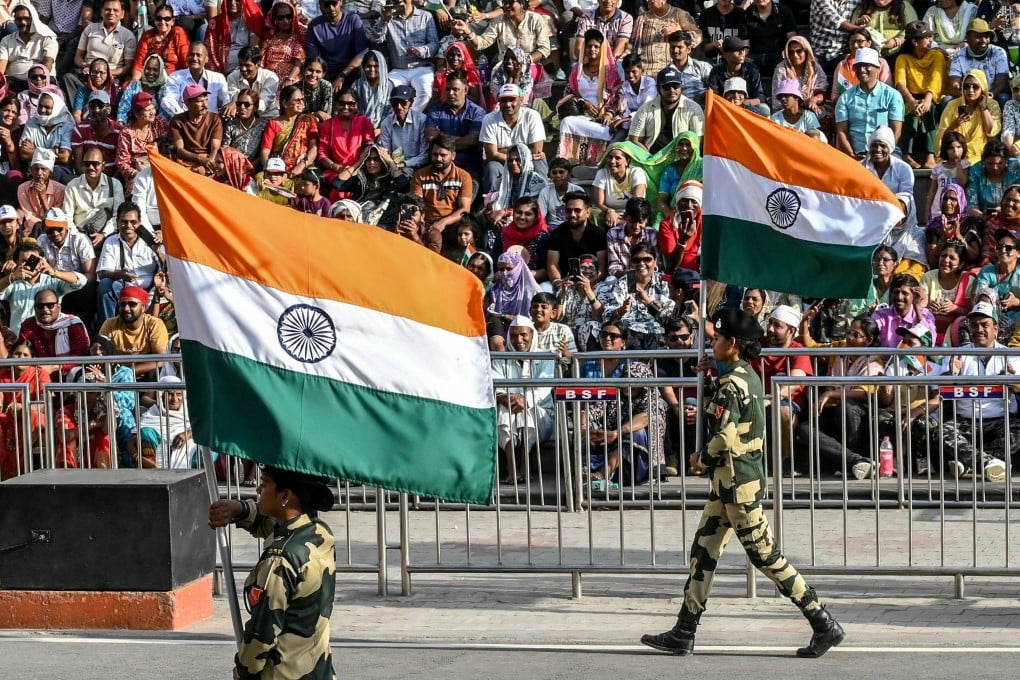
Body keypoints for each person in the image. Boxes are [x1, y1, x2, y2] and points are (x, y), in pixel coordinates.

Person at [640, 308, 845, 659]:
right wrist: (714, 372)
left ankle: (822, 621)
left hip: (737, 484)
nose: (713, 343)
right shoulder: (742, 375)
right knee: (703, 552)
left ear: (732, 344)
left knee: (766, 556)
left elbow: (726, 438)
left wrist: (700, 459)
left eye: (717, 339)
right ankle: (684, 630)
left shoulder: (732, 384)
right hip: (729, 486)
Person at [207, 467, 337, 680]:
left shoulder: (279, 560)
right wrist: (238, 509)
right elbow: (273, 523)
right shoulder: (319, 533)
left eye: (265, 483)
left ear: (285, 496)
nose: (259, 489)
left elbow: (263, 634)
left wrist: (243, 670)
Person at [798, 310, 885, 478]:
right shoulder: (839, 348)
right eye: (849, 332)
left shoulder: (875, 361)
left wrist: (831, 394)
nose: (849, 337)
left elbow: (864, 393)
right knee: (805, 429)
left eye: (856, 334)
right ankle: (856, 461)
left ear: (869, 341)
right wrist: (804, 321)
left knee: (847, 405)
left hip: (859, 415)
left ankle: (854, 458)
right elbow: (811, 346)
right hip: (832, 412)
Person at [492, 314, 555, 484]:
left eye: (523, 335)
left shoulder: (545, 357)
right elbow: (495, 384)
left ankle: (524, 461)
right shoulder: (501, 358)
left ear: (532, 335)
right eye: (513, 335)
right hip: (509, 408)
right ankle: (512, 467)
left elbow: (544, 387)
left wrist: (524, 399)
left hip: (541, 414)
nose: (518, 339)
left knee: (525, 411)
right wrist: (507, 398)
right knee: (505, 411)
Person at [556, 29, 625, 166]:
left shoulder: (611, 71)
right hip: (582, 117)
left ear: (602, 49)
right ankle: (568, 164)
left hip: (603, 119)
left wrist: (609, 114)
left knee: (606, 131)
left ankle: (596, 164)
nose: (592, 49)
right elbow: (568, 94)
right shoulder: (577, 70)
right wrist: (583, 103)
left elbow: (620, 95)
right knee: (567, 122)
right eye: (589, 46)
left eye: (596, 46)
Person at [596, 241, 673, 348]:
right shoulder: (623, 282)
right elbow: (607, 314)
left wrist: (648, 302)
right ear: (632, 263)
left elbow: (670, 316)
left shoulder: (664, 281)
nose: (641, 263)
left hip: (658, 332)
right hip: (629, 332)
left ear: (655, 261)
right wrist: (620, 311)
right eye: (636, 260)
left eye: (647, 259)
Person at [96, 201, 162, 321]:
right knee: (105, 285)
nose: (128, 226)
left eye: (133, 222)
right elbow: (104, 273)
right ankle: (107, 329)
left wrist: (158, 250)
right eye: (124, 222)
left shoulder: (151, 240)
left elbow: (166, 269)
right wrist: (119, 274)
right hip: (123, 289)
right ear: (117, 223)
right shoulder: (111, 241)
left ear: (140, 223)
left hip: (148, 290)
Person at [0, 241, 86, 333]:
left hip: (49, 338)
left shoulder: (52, 280)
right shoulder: (13, 282)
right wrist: (11, 277)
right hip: (20, 340)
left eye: (33, 260)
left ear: (42, 260)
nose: (29, 265)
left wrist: (55, 272)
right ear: (17, 262)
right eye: (24, 261)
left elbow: (81, 281)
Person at [367, 0, 437, 112]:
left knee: (425, 93)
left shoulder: (425, 16)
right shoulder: (389, 17)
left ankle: (409, 118)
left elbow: (434, 43)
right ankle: (390, 121)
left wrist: (420, 51)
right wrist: (383, 20)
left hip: (422, 67)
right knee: (384, 90)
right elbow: (376, 39)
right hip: (399, 70)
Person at [835, 47, 905, 158]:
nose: (862, 70)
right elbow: (842, 132)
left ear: (878, 68)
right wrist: (853, 156)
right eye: (858, 66)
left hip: (887, 153)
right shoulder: (845, 98)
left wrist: (884, 154)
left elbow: (896, 131)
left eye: (867, 66)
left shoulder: (892, 95)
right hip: (855, 154)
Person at [479, 84, 547, 194]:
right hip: (502, 163)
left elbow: (536, 150)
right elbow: (491, 155)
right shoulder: (489, 119)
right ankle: (491, 206)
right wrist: (522, 152)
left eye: (512, 100)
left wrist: (501, 151)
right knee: (492, 167)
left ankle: (540, 203)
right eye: (503, 100)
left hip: (526, 161)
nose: (508, 104)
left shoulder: (532, 116)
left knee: (538, 162)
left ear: (521, 100)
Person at [894, 21, 945, 169]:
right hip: (910, 96)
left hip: (932, 95)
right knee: (910, 111)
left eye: (931, 37)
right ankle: (906, 154)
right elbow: (900, 83)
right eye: (927, 37)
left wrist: (928, 100)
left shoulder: (936, 56)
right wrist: (911, 101)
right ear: (915, 41)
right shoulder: (902, 58)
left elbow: (936, 80)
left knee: (931, 110)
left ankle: (931, 154)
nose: (931, 40)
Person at [37, 206, 97, 325]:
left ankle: (87, 326)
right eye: (50, 230)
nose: (55, 233)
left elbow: (91, 275)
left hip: (78, 286)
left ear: (66, 226)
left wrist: (59, 274)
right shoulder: (42, 240)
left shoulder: (80, 240)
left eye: (59, 229)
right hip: (53, 285)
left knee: (88, 289)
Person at [627, 65, 705, 154]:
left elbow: (698, 142)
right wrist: (650, 159)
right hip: (650, 159)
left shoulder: (694, 109)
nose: (672, 90)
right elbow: (634, 140)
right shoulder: (645, 109)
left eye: (675, 86)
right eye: (666, 86)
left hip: (682, 160)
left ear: (681, 87)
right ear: (658, 89)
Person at [98, 283, 170, 378]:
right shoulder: (110, 324)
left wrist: (130, 371)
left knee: (157, 371)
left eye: (132, 304)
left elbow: (161, 360)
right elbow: (100, 353)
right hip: (116, 376)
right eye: (122, 304)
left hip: (146, 377)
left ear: (143, 307)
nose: (126, 309)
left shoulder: (154, 324)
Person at [424, 72, 485, 181]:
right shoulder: (436, 110)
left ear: (465, 90)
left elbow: (472, 141)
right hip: (440, 164)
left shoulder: (477, 112)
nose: (450, 93)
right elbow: (431, 137)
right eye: (447, 89)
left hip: (469, 165)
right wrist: (461, 140)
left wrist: (441, 138)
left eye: (455, 89)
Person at [547, 190, 609, 283]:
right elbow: (552, 265)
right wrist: (559, 283)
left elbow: (602, 267)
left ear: (588, 212)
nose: (572, 214)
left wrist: (590, 284)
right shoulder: (557, 234)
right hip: (564, 281)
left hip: (593, 282)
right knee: (545, 288)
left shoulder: (598, 234)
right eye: (569, 210)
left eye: (577, 210)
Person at [306, 0, 368, 87]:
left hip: (351, 69)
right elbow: (314, 58)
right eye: (327, 5)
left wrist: (342, 75)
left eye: (334, 3)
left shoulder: (353, 19)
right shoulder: (314, 25)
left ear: (340, 2)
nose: (331, 8)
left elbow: (362, 52)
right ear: (321, 6)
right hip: (327, 71)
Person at [161, 41, 230, 117]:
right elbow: (168, 100)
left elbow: (226, 103)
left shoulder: (218, 78)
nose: (194, 58)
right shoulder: (175, 77)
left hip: (210, 124)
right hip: (184, 123)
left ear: (206, 59)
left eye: (198, 55)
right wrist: (185, 118)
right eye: (191, 55)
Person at [16, 287, 90, 358]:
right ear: (35, 308)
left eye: (50, 305)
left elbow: (80, 356)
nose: (45, 310)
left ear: (59, 307)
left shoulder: (73, 324)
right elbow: (22, 353)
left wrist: (53, 367)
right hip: (38, 369)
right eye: (40, 306)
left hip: (70, 369)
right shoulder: (29, 324)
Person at [0, 3, 58, 94]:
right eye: (19, 19)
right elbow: (1, 67)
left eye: (27, 18)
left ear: (34, 19)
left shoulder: (47, 38)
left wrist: (34, 82)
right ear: (14, 20)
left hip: (40, 81)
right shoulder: (6, 40)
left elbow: (48, 64)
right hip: (13, 83)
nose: (23, 22)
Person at [947, 19, 1008, 104]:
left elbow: (1002, 84)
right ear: (968, 39)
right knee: (947, 100)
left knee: (1004, 97)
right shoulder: (959, 55)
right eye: (978, 36)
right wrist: (973, 97)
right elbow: (953, 87)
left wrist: (987, 97)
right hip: (968, 96)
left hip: (992, 96)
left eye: (986, 37)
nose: (983, 40)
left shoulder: (998, 52)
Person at [316, 90, 373, 178]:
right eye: (341, 103)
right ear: (335, 104)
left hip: (360, 170)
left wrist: (354, 168)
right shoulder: (327, 125)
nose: (346, 107)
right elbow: (322, 153)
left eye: (351, 104)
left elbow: (369, 146)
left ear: (357, 105)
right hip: (335, 171)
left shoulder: (364, 122)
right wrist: (337, 167)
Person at [170, 83, 223, 175]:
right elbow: (179, 150)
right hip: (186, 160)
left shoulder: (214, 119)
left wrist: (207, 163)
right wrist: (199, 158)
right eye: (200, 101)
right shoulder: (178, 121)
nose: (205, 105)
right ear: (188, 103)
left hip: (210, 159)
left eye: (206, 100)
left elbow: (215, 148)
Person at [633, 0, 697, 76]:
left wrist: (679, 31)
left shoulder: (679, 14)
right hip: (645, 71)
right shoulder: (643, 18)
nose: (647, 0)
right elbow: (633, 43)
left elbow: (697, 36)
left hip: (672, 71)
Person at [872, 273, 937, 347]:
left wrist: (917, 307)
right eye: (896, 292)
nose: (899, 297)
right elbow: (869, 334)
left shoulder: (925, 314)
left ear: (914, 295)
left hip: (916, 358)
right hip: (887, 358)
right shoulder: (880, 315)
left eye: (905, 293)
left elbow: (930, 341)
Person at [378, 85, 429, 178]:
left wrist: (403, 164)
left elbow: (424, 156)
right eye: (395, 103)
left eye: (403, 103)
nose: (399, 107)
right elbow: (386, 152)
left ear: (411, 103)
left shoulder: (421, 120)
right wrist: (395, 166)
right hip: (393, 167)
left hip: (417, 168)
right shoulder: (386, 123)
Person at [708, 36, 767, 114]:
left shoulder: (752, 69)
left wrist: (743, 103)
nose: (742, 53)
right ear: (725, 55)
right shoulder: (716, 71)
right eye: (737, 50)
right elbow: (713, 96)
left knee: (765, 110)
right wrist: (730, 104)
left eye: (743, 49)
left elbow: (760, 97)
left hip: (748, 107)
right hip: (724, 107)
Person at [203, 0, 262, 76]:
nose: (232, 3)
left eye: (237, 0)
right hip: (220, 68)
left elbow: (254, 49)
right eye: (230, 0)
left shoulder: (250, 21)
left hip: (244, 67)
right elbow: (211, 51)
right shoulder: (215, 23)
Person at [965, 139, 1020, 215]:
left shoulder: (1016, 167)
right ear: (984, 161)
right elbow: (971, 204)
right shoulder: (976, 171)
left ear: (1006, 160)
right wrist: (983, 217)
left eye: (999, 163)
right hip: (984, 218)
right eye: (990, 164)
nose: (995, 168)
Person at [16, 147, 65, 233]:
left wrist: (43, 198)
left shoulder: (60, 190)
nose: (39, 173)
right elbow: (29, 217)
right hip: (31, 231)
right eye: (36, 169)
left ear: (50, 172)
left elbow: (55, 218)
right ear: (31, 170)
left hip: (54, 231)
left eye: (43, 169)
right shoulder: (22, 189)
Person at [224, 46, 280, 119]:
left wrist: (238, 104)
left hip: (267, 117)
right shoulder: (232, 77)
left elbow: (263, 104)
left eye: (247, 65)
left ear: (258, 64)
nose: (243, 69)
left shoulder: (270, 78)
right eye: (241, 65)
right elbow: (234, 99)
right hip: (242, 118)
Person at [259, 0, 305, 85]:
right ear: (275, 19)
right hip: (269, 77)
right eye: (281, 18)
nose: (286, 21)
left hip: (290, 77)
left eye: (288, 17)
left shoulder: (298, 35)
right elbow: (262, 60)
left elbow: (299, 61)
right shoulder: (270, 36)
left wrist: (290, 79)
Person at [353, 50, 390, 135]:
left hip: (384, 131)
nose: (372, 69)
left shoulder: (389, 86)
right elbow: (353, 110)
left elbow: (391, 113)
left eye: (376, 66)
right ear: (363, 67)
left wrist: (381, 129)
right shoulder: (357, 85)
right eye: (368, 66)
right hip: (359, 129)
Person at [298, 57, 333, 123]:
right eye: (310, 70)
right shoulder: (296, 87)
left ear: (323, 74)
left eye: (318, 72)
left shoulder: (326, 86)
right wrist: (315, 113)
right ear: (303, 70)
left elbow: (325, 115)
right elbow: (294, 114)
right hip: (300, 123)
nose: (313, 75)